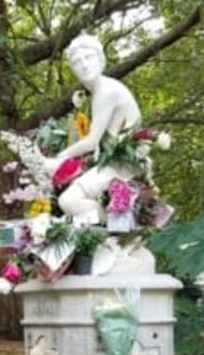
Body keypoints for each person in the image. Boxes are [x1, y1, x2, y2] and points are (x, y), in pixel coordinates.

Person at [45, 34, 143, 225]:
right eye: (77, 62)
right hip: (113, 162)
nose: (84, 65)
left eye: (89, 58)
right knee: (71, 195)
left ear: (101, 59)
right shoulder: (99, 92)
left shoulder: (106, 91)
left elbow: (92, 142)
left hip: (123, 165)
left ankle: (120, 226)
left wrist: (58, 159)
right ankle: (115, 225)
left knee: (68, 201)